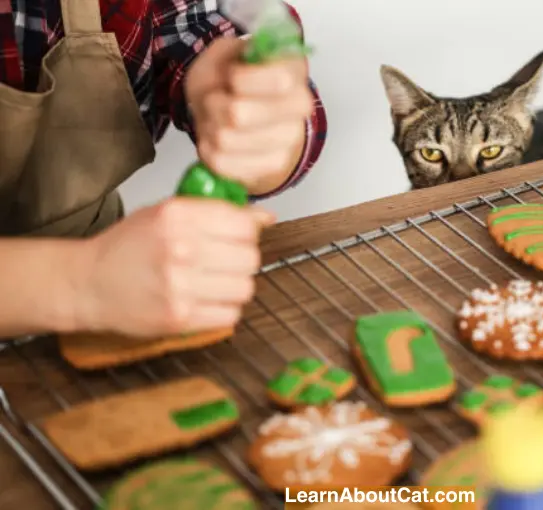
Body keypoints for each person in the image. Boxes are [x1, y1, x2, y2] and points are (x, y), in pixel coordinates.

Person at [0, 0, 326, 338]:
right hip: (109, 288)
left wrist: (260, 122)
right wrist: (80, 283)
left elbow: (205, 26)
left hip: (125, 291)